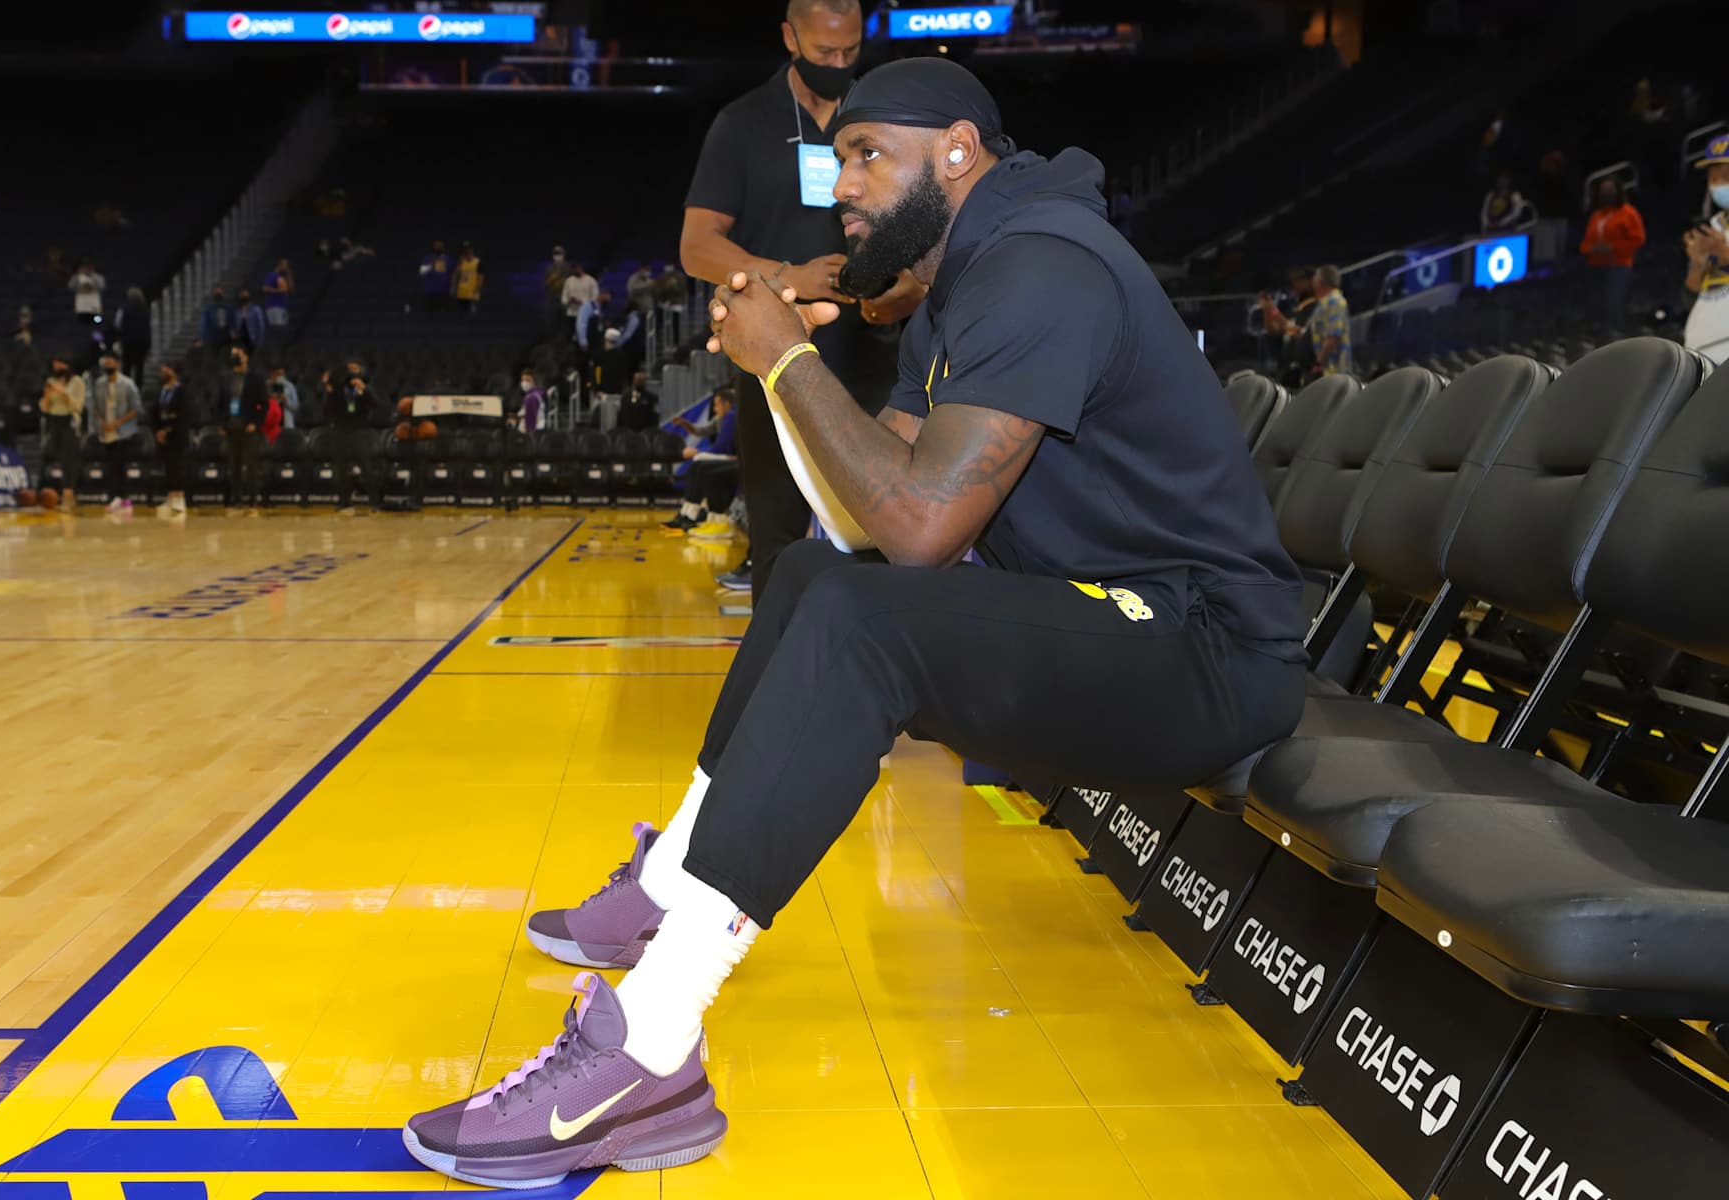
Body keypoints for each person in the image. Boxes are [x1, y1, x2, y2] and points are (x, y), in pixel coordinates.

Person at [403, 57, 1307, 1190]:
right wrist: (794, 370)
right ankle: (677, 883)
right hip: (1110, 620)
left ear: (960, 152)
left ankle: (650, 1045)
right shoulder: (961, 284)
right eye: (839, 160)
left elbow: (920, 527)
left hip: (1206, 654)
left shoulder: (1042, 270)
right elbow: (854, 525)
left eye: (869, 154)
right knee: (809, 582)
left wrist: (786, 358)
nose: (844, 185)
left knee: (865, 623)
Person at [679, 0, 920, 600]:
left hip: (876, 356)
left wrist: (902, 289)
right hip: (775, 353)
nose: (839, 65)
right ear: (790, 37)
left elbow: (927, 229)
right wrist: (792, 274)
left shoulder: (880, 115)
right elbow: (697, 247)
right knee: (778, 535)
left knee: (891, 530)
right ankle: (777, 677)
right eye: (824, 53)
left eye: (850, 52)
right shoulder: (744, 122)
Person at [663, 385, 739, 533]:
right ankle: (687, 512)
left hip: (732, 457)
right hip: (723, 455)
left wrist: (698, 451)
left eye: (717, 405)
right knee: (698, 462)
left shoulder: (732, 418)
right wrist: (684, 423)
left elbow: (723, 447)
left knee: (699, 461)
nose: (715, 409)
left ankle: (695, 514)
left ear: (727, 405)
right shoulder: (721, 418)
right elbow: (700, 431)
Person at [1683, 133, 1729, 364]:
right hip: (1702, 347)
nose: (1719, 184)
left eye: (1726, 175)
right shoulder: (1711, 228)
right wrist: (1697, 266)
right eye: (1714, 177)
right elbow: (1690, 296)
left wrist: (1726, 257)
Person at [1580, 177, 1646, 332]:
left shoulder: (1629, 213)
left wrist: (1612, 248)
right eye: (1603, 189)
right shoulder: (1596, 215)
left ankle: (1616, 335)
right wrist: (1591, 249)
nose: (1606, 193)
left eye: (1610, 189)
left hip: (1619, 264)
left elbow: (1638, 240)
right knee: (1597, 304)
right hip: (1595, 265)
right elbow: (1585, 243)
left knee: (1614, 302)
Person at [89, 349, 141, 515]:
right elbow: (95, 407)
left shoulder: (127, 384)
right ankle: (114, 497)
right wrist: (102, 423)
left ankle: (123, 499)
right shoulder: (99, 384)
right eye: (106, 363)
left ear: (118, 364)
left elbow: (136, 409)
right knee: (111, 465)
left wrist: (118, 422)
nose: (107, 365)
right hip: (106, 431)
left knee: (121, 465)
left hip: (123, 431)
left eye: (111, 362)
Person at [330, 360, 382, 514]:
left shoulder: (365, 388)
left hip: (360, 432)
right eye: (350, 368)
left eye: (355, 368)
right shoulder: (338, 389)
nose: (352, 371)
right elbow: (328, 409)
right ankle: (343, 502)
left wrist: (364, 389)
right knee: (341, 470)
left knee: (367, 469)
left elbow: (377, 405)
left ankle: (375, 502)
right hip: (341, 432)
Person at [39, 353, 86, 510]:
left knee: (69, 459)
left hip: (69, 421)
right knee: (56, 457)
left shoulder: (77, 382)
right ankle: (60, 494)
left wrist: (62, 392)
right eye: (55, 365)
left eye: (60, 364)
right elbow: (45, 407)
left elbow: (77, 406)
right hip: (54, 420)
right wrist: (47, 395)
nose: (57, 367)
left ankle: (68, 496)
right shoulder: (50, 382)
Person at [220, 346, 264, 512]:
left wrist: (256, 422)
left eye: (239, 354)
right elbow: (220, 402)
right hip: (231, 427)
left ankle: (253, 498)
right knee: (234, 465)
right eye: (233, 354)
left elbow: (263, 404)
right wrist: (221, 423)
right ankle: (236, 498)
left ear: (246, 357)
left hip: (248, 428)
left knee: (251, 465)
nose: (236, 357)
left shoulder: (255, 378)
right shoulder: (226, 377)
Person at [150, 362, 190, 516]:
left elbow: (183, 414)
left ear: (174, 371)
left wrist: (168, 429)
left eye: (166, 368)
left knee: (177, 466)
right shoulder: (161, 390)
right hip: (162, 434)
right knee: (167, 467)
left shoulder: (181, 391)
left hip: (176, 435)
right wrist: (158, 430)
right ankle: (170, 498)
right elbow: (155, 412)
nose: (163, 371)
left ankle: (180, 498)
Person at [1306, 264, 1352, 375]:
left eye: (1315, 279)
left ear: (1322, 282)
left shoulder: (1335, 301)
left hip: (1333, 370)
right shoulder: (1324, 302)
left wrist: (1318, 363)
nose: (1312, 283)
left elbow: (1333, 336)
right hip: (1326, 370)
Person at [68, 258, 106, 331]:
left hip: (94, 307)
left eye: (88, 267)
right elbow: (70, 287)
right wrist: (78, 279)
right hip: (82, 308)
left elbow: (102, 287)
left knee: (96, 327)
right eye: (84, 267)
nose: (86, 269)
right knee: (82, 328)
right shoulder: (76, 278)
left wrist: (93, 282)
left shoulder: (98, 277)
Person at [420, 240, 453, 312]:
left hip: (444, 292)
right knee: (430, 315)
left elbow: (453, 274)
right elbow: (422, 272)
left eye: (440, 246)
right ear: (433, 247)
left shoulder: (448, 259)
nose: (438, 247)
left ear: (443, 248)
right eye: (436, 246)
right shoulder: (428, 258)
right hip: (431, 292)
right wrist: (432, 265)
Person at [262, 258, 293, 331]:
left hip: (283, 307)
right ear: (279, 265)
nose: (287, 267)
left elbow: (291, 289)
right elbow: (265, 289)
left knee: (283, 331)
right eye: (285, 265)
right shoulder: (272, 275)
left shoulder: (283, 277)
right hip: (274, 307)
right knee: (277, 330)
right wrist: (280, 290)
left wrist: (289, 275)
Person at [453, 243, 482, 312]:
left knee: (471, 316)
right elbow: (455, 275)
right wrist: (454, 289)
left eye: (468, 250)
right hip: (461, 294)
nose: (466, 252)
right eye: (464, 251)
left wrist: (476, 292)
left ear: (472, 251)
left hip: (472, 295)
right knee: (461, 315)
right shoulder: (461, 263)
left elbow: (481, 279)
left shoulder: (478, 262)